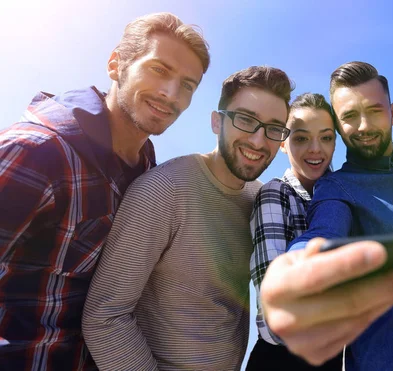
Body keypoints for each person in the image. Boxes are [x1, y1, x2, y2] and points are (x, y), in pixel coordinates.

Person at [0, 12, 209, 370]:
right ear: (116, 65)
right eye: (159, 69)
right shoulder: (38, 152)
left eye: (187, 85)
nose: (171, 93)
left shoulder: (148, 178)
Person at [261, 61, 393, 370]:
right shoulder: (336, 188)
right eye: (350, 116)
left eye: (374, 111)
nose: (363, 126)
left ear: (392, 112)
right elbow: (323, 232)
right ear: (338, 125)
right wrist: (299, 268)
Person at [82, 66, 294, 370]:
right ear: (216, 121)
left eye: (274, 128)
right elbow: (105, 315)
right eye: (246, 120)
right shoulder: (163, 190)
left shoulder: (261, 200)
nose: (259, 142)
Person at [246, 93, 342, 370]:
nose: (315, 149)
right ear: (283, 143)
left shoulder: (347, 196)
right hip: (284, 360)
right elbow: (274, 315)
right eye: (301, 138)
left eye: (326, 137)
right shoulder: (276, 195)